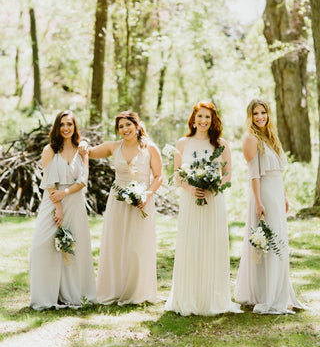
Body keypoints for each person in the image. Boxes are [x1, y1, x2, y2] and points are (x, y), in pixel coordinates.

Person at [165, 101, 242, 316]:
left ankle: (212, 298)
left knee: (211, 244)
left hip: (213, 201)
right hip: (190, 201)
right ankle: (188, 297)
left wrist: (212, 187)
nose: (203, 121)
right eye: (200, 116)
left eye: (207, 117)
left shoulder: (221, 144)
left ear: (213, 120)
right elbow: (178, 173)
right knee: (191, 244)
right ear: (193, 118)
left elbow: (227, 173)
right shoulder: (183, 143)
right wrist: (190, 187)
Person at [79, 111, 163, 305]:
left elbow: (158, 176)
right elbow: (88, 153)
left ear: (137, 125)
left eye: (128, 125)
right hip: (117, 201)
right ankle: (114, 289)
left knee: (137, 246)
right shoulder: (114, 147)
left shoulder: (150, 148)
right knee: (116, 244)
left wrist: (147, 195)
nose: (125, 129)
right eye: (121, 127)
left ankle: (137, 291)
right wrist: (83, 143)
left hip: (142, 202)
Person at [234, 99, 306, 314]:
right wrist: (258, 202)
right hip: (263, 195)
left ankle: (280, 292)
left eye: (263, 112)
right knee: (268, 244)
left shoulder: (270, 137)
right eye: (255, 113)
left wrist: (283, 196)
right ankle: (268, 295)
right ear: (250, 116)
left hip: (276, 193)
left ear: (268, 114)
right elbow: (254, 175)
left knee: (279, 243)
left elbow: (278, 173)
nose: (259, 117)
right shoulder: (251, 138)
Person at [30, 110, 96, 310]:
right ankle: (47, 294)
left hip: (74, 202)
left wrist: (65, 193)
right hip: (52, 201)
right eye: (62, 124)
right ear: (57, 127)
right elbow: (48, 181)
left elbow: (83, 180)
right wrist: (57, 205)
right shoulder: (50, 149)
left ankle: (73, 293)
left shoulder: (81, 149)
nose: (66, 128)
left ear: (75, 127)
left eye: (70, 124)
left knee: (73, 248)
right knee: (41, 246)